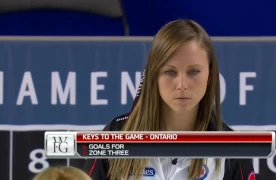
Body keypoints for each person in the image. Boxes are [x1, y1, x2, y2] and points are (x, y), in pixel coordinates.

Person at [82, 19, 255, 180]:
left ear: (209, 75)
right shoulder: (116, 134)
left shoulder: (233, 149)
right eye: (170, 72)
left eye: (193, 72)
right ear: (153, 75)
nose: (182, 84)